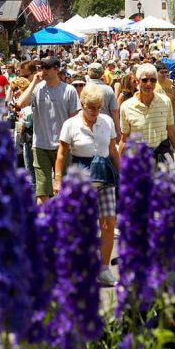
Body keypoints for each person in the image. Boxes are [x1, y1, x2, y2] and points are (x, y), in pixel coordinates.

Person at [54, 84, 120, 287]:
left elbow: (112, 149)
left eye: (99, 108)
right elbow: (62, 154)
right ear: (82, 104)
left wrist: (124, 172)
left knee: (108, 223)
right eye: (92, 108)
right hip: (81, 173)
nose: (95, 112)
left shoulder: (106, 121)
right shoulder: (71, 124)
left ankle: (104, 268)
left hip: (104, 171)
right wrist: (58, 180)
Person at [16, 56, 80, 203]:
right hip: (40, 146)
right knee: (42, 191)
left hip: (63, 147)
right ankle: (44, 224)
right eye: (40, 67)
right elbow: (20, 103)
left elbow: (74, 119)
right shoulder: (37, 89)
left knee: (64, 189)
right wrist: (33, 82)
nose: (42, 71)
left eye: (46, 67)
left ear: (56, 69)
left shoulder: (69, 90)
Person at [119, 63, 175, 168]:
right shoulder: (126, 106)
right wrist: (119, 167)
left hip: (161, 159)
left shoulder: (165, 102)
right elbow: (124, 139)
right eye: (145, 80)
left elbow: (172, 132)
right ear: (137, 81)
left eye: (153, 80)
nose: (149, 84)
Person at [87, 63, 120, 142]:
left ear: (88, 73)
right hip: (105, 127)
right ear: (102, 73)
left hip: (87, 127)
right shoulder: (108, 89)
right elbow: (114, 111)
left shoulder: (83, 88)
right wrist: (118, 131)